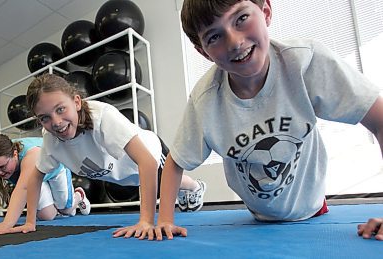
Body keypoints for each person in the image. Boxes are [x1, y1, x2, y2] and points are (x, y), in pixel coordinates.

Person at [154, 0, 383, 241]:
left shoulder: (303, 63)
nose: (234, 42)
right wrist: (165, 220)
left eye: (241, 19)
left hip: (313, 210)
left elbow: (379, 119)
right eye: (214, 37)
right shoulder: (206, 100)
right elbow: (175, 161)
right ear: (203, 51)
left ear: (266, 11)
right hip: (258, 219)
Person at [8, 73, 206, 240]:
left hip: (151, 154)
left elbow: (147, 161)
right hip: (124, 174)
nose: (57, 122)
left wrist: (145, 221)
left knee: (171, 183)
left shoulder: (102, 117)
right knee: (144, 182)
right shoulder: (52, 140)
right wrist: (30, 221)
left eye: (60, 109)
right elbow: (35, 177)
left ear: (77, 102)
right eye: (45, 118)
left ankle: (196, 187)